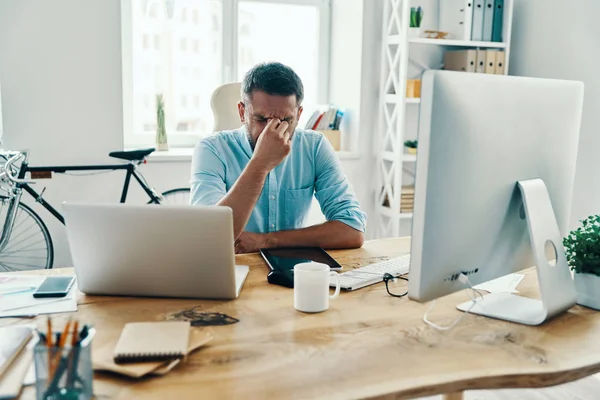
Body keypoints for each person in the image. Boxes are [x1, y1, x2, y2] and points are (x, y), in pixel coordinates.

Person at [191, 62, 367, 254]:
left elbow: (352, 229)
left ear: (298, 115)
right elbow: (208, 238)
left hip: (289, 268)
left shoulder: (314, 147)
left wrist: (266, 241)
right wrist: (260, 164)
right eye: (261, 119)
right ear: (242, 112)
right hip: (233, 267)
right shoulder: (212, 149)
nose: (271, 131)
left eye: (285, 121)